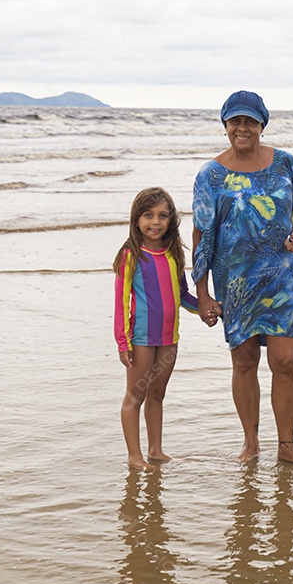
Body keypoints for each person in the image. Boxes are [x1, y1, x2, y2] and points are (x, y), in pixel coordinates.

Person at [192, 91, 293, 467]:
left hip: (282, 275)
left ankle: (287, 445)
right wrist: (201, 293)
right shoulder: (211, 175)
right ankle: (251, 444)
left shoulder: (284, 162)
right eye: (235, 121)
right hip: (234, 281)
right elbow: (202, 233)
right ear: (225, 126)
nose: (243, 128)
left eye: (251, 121)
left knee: (285, 362)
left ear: (262, 125)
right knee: (245, 361)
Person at [113, 187, 212, 471]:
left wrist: (206, 309)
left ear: (171, 221)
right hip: (141, 339)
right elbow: (121, 303)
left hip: (169, 339)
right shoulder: (131, 254)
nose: (155, 222)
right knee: (135, 396)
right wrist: (123, 342)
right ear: (136, 220)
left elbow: (181, 297)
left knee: (157, 394)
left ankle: (155, 450)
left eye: (162, 216)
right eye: (148, 215)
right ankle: (135, 456)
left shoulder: (172, 254)